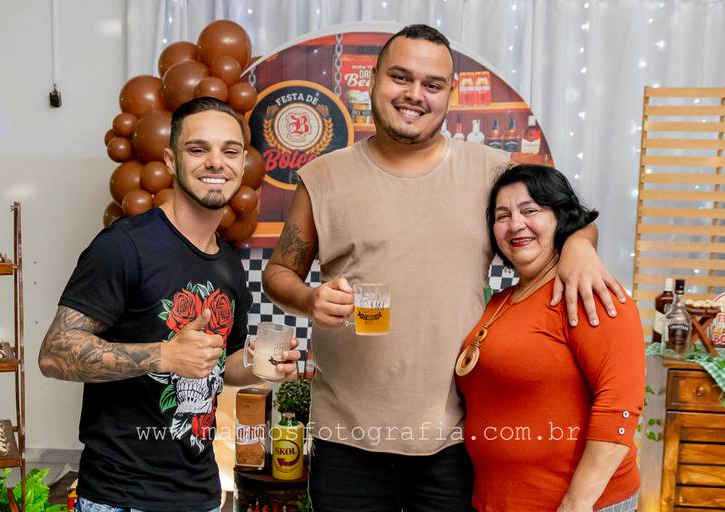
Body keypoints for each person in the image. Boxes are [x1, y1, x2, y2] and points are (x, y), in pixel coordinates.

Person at [262, 24, 624, 511]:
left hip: (453, 438)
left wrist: (579, 247)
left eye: (432, 84)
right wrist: (309, 299)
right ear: (372, 80)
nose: (415, 94)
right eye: (400, 77)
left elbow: (568, 220)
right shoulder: (323, 176)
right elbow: (278, 273)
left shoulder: (491, 171)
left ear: (449, 94)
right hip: (345, 439)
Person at [39, 97, 300, 512]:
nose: (216, 162)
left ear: (242, 164)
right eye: (198, 149)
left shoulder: (228, 264)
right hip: (122, 496)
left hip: (201, 493)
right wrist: (165, 355)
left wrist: (259, 363)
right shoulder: (125, 246)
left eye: (230, 151)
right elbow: (54, 353)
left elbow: (223, 362)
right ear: (171, 161)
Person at [455, 164, 644, 511]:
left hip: (576, 503)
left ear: (560, 217)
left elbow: (620, 406)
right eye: (502, 215)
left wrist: (576, 502)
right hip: (498, 501)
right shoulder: (499, 301)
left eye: (530, 211)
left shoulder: (588, 292)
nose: (516, 224)